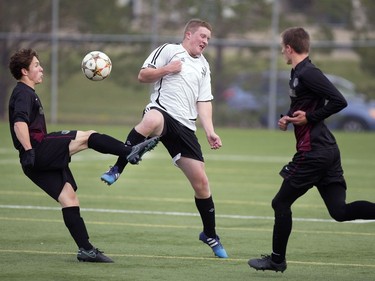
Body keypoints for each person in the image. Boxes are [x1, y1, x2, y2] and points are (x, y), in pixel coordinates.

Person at [8, 48, 158, 263]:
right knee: (88, 137)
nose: (41, 68)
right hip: (37, 151)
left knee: (69, 198)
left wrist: (29, 154)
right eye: (36, 66)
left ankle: (86, 250)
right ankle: (129, 151)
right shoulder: (23, 92)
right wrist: (30, 151)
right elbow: (18, 123)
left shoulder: (26, 92)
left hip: (32, 161)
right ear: (24, 71)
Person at [248, 27, 375, 273]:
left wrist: (309, 118)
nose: (281, 50)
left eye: (281, 46)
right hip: (325, 150)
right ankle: (277, 260)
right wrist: (290, 118)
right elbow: (305, 106)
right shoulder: (298, 72)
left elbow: (339, 100)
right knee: (340, 211)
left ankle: (277, 260)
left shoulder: (309, 72)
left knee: (280, 203)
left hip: (313, 152)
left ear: (288, 47)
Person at [100, 19, 228, 258]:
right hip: (162, 112)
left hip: (186, 128)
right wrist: (168, 69)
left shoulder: (203, 66)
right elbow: (143, 75)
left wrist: (210, 130)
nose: (205, 42)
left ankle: (210, 234)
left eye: (208, 39)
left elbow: (203, 101)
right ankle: (117, 168)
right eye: (202, 36)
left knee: (201, 184)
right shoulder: (169, 50)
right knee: (150, 122)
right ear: (188, 34)